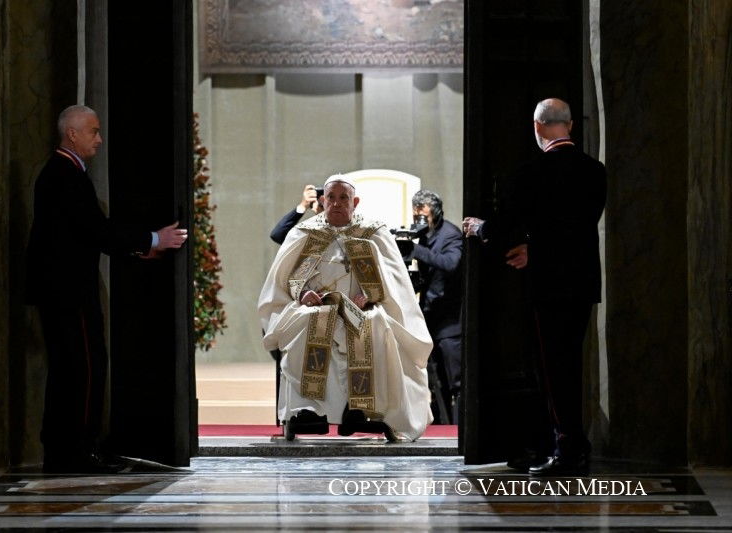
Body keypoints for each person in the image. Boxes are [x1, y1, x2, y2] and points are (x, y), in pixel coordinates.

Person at [25, 105, 188, 473]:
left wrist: (136, 248)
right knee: (84, 369)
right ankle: (79, 452)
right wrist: (151, 238)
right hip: (70, 293)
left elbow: (85, 233)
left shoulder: (63, 172)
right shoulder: (65, 174)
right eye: (93, 131)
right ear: (72, 134)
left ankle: (66, 451)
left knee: (71, 370)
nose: (99, 139)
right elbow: (95, 230)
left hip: (63, 291)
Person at [463, 98, 606, 475]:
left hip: (549, 286)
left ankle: (568, 451)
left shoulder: (531, 173)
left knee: (553, 370)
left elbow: (503, 223)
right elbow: (575, 229)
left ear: (538, 127)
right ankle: (571, 443)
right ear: (570, 125)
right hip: (583, 282)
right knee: (571, 365)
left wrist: (479, 228)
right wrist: (538, 246)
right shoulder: (596, 171)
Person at [258, 174, 434, 442]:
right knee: (305, 324)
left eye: (343, 198)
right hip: (317, 307)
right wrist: (302, 293)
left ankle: (362, 409)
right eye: (331, 197)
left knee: (374, 325)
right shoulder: (306, 232)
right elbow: (286, 279)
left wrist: (372, 294)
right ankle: (309, 411)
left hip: (361, 309)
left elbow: (394, 281)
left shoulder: (373, 232)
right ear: (322, 200)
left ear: (355, 202)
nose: (337, 203)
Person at [406, 189, 463, 423]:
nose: (420, 222)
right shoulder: (427, 235)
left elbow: (450, 264)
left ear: (436, 214)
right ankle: (441, 425)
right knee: (435, 381)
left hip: (450, 323)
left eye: (424, 218)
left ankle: (459, 429)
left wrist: (415, 250)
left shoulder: (450, 235)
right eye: (416, 217)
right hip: (431, 318)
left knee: (455, 381)